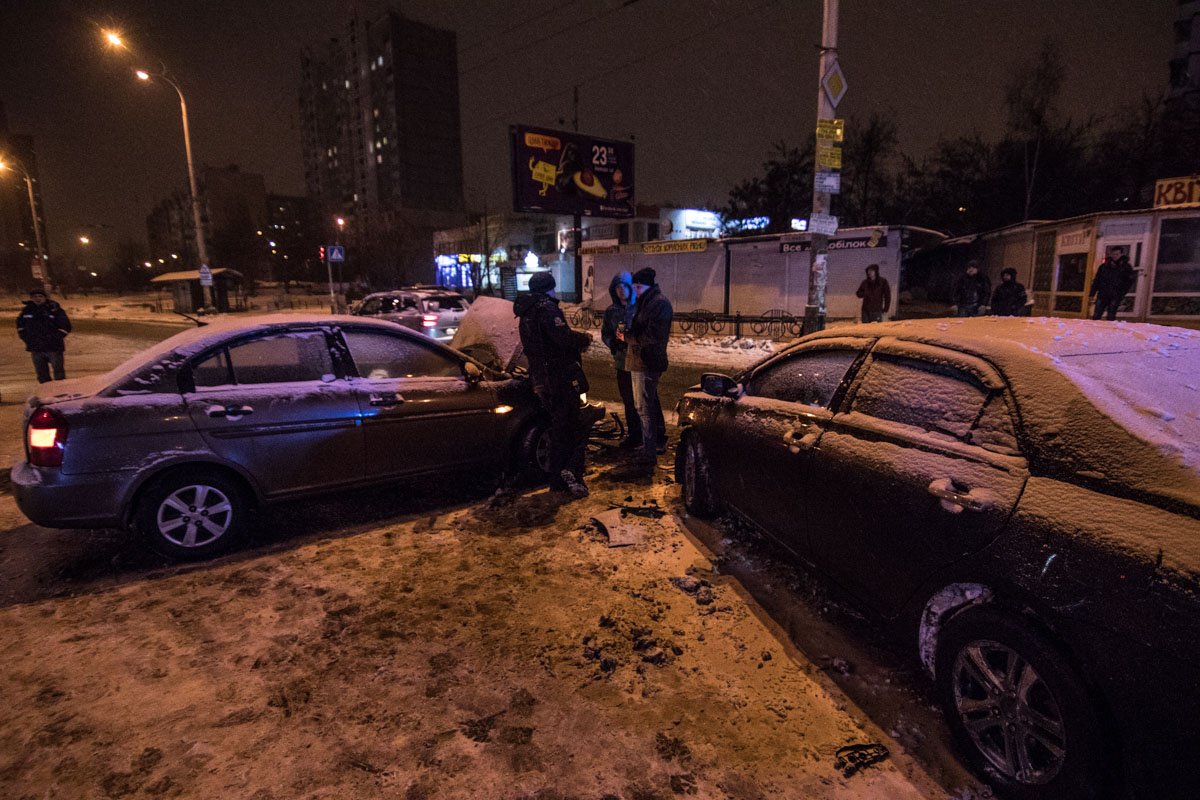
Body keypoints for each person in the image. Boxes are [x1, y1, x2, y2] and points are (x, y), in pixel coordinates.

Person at [514, 271, 592, 498]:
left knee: (558, 426)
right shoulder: (546, 309)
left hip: (541, 377)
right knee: (574, 425)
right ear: (549, 288)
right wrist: (583, 339)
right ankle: (571, 472)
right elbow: (561, 338)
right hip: (558, 376)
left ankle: (558, 479)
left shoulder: (526, 311)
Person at [625, 267, 673, 470]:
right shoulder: (646, 301)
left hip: (647, 362)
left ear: (647, 285)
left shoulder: (658, 303)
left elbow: (652, 337)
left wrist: (628, 337)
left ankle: (649, 452)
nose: (635, 291)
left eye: (638, 287)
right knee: (643, 407)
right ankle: (648, 447)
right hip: (640, 361)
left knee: (645, 408)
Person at [600, 271, 642, 449]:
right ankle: (635, 434)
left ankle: (651, 435)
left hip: (639, 362)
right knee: (628, 401)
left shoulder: (639, 307)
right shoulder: (611, 311)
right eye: (617, 287)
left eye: (624, 286)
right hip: (621, 362)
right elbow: (605, 333)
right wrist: (613, 343)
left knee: (644, 400)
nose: (621, 290)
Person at [17, 287, 72, 383]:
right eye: (35, 296)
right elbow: (20, 326)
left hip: (53, 348)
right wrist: (27, 338)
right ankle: (46, 390)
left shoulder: (54, 309)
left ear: (45, 298)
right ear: (31, 298)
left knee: (59, 374)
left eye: (40, 296)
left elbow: (65, 326)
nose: (37, 298)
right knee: (42, 374)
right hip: (36, 348)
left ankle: (60, 390)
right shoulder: (27, 311)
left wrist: (54, 338)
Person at [1090, 248, 1136, 321]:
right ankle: (1093, 327)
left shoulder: (1126, 267)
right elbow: (1097, 280)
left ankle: (1109, 327)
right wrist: (1092, 293)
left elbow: (1129, 282)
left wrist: (1122, 292)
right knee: (1097, 314)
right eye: (1113, 254)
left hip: (1116, 294)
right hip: (1103, 293)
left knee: (1111, 315)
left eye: (1117, 254)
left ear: (1121, 254)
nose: (1114, 256)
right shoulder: (1104, 266)